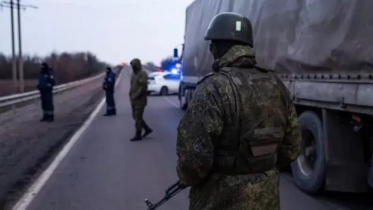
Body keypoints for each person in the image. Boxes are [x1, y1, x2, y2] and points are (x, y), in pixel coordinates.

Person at [176, 12, 302, 210]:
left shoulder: (213, 88)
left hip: (220, 200)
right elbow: (293, 147)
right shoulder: (276, 85)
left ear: (215, 48)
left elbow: (193, 163)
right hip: (267, 199)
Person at [129, 58, 153, 141]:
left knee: (138, 118)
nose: (133, 67)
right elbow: (132, 86)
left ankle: (138, 134)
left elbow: (143, 87)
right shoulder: (133, 74)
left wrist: (136, 95)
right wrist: (131, 94)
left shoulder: (142, 74)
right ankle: (147, 129)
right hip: (133, 99)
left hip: (140, 99)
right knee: (135, 116)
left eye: (134, 65)